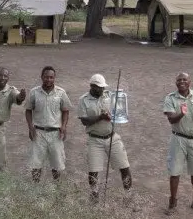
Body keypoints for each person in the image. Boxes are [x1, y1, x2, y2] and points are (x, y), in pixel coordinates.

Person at [75, 73, 132, 201]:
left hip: (112, 137)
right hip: (94, 139)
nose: (101, 89)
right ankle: (94, 194)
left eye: (102, 87)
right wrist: (100, 117)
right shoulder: (83, 100)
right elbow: (84, 121)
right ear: (91, 86)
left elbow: (119, 110)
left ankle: (128, 195)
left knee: (124, 167)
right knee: (93, 170)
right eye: (98, 87)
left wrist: (118, 103)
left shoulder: (109, 96)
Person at [162, 72, 193, 215]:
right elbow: (171, 119)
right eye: (179, 80)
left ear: (190, 82)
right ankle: (172, 202)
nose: (182, 82)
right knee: (175, 171)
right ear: (176, 83)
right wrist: (181, 114)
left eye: (185, 79)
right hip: (178, 139)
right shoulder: (170, 98)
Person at [24, 65, 71, 182]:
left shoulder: (61, 93)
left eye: (51, 77)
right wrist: (30, 128)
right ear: (41, 77)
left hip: (56, 133)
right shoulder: (34, 92)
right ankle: (35, 189)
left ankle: (56, 188)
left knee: (57, 164)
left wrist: (64, 127)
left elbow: (66, 111)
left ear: (54, 78)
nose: (48, 80)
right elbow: (28, 110)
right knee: (36, 164)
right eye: (46, 77)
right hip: (38, 132)